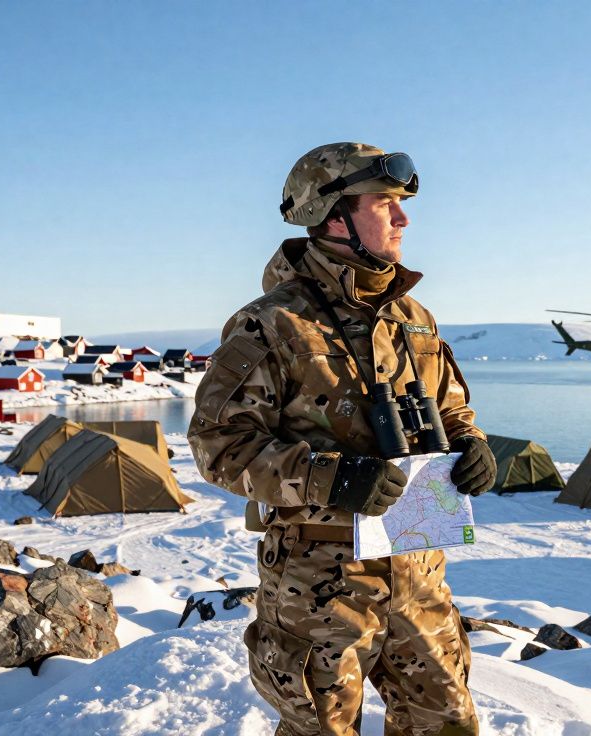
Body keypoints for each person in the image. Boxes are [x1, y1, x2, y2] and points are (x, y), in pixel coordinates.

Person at [188, 142, 496, 736]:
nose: (403, 219)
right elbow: (218, 446)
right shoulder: (273, 323)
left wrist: (471, 445)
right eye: (384, 204)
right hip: (320, 589)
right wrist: (329, 477)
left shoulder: (414, 319)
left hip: (418, 571)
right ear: (332, 216)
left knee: (450, 726)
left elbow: (451, 409)